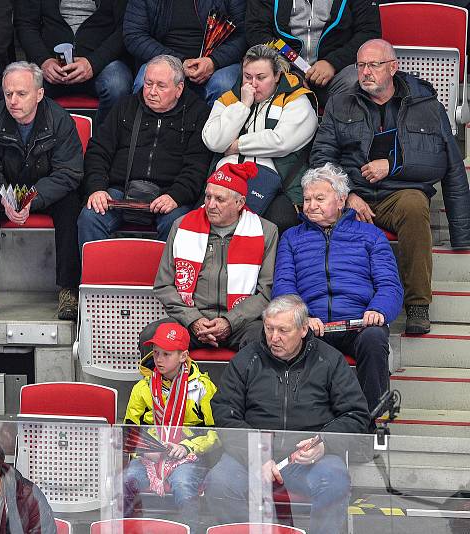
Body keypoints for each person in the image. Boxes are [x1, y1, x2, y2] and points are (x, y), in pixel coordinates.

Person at [310, 39, 470, 334]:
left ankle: (418, 305)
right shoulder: (340, 101)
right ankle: (333, 312)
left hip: (399, 192)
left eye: (374, 65)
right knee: (318, 210)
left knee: (414, 204)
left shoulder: (427, 105)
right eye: (361, 65)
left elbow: (445, 164)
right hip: (353, 193)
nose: (366, 72)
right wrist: (347, 195)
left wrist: (394, 165)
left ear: (393, 67)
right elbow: (321, 156)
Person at [204, 295, 371, 534]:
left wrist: (325, 442)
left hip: (308, 458)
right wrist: (257, 454)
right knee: (219, 484)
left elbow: (356, 414)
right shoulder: (247, 358)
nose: (274, 337)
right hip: (250, 454)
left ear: (304, 329)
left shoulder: (329, 360)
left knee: (335, 482)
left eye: (283, 330)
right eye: (269, 328)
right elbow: (223, 411)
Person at [272, 163, 403, 416]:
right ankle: (304, 422)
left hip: (358, 324)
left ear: (341, 200)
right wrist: (302, 318)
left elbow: (390, 285)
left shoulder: (371, 235)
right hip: (313, 326)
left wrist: (377, 310)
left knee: (374, 338)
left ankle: (373, 420)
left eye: (320, 198)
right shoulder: (291, 237)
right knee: (286, 338)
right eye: (307, 199)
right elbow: (284, 286)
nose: (311, 205)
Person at [0, 61, 83, 321]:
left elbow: (69, 173)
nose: (13, 101)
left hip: (47, 192)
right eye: (8, 94)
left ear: (39, 94)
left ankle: (69, 290)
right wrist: (7, 199)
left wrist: (29, 198)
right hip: (7, 191)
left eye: (21, 94)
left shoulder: (60, 120)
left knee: (71, 203)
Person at [139, 161, 278, 357]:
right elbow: (164, 285)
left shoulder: (265, 232)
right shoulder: (182, 226)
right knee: (152, 336)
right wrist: (193, 319)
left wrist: (230, 322)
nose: (210, 205)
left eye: (220, 199)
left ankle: (246, 389)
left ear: (240, 203)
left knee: (264, 339)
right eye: (208, 196)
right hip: (191, 321)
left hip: (241, 323)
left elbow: (266, 292)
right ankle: (163, 389)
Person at [79, 54, 211, 246]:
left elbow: (198, 165)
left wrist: (176, 196)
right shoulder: (125, 105)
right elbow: (98, 151)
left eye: (161, 85)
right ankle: (92, 276)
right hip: (119, 191)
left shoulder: (198, 113)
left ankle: (165, 277)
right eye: (148, 83)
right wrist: (97, 188)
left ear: (179, 88)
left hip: (169, 194)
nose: (151, 91)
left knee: (179, 225)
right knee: (90, 217)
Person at [202, 44, 318, 235]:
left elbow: (281, 141)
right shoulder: (230, 99)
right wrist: (244, 105)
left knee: (280, 221)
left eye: (261, 78)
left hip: (277, 184)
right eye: (248, 77)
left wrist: (237, 145)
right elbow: (213, 140)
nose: (253, 84)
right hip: (225, 180)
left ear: (277, 76)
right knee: (203, 221)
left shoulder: (296, 99)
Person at [123, 322, 218, 531]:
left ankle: (192, 529)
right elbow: (129, 431)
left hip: (188, 456)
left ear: (183, 356)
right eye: (156, 353)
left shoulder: (202, 387)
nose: (158, 359)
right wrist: (145, 449)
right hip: (149, 457)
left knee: (183, 485)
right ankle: (128, 529)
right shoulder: (142, 387)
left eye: (166, 354)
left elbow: (215, 432)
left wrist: (186, 447)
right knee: (125, 482)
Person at [14, 0, 132, 121]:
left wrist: (93, 63)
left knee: (118, 84)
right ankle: (38, 138)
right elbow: (26, 25)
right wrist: (44, 60)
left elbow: (126, 27)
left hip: (100, 64)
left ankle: (104, 139)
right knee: (15, 85)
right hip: (50, 67)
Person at [244, 0, 380, 101]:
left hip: (337, 71)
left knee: (355, 80)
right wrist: (288, 70)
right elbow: (256, 30)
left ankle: (339, 135)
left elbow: (369, 32)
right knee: (256, 80)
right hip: (285, 68)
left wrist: (332, 62)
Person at [123, 0, 246, 106]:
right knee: (144, 84)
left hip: (218, 61)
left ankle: (211, 133)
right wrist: (178, 63)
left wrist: (214, 61)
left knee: (223, 85)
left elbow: (243, 34)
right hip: (164, 58)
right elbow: (134, 35)